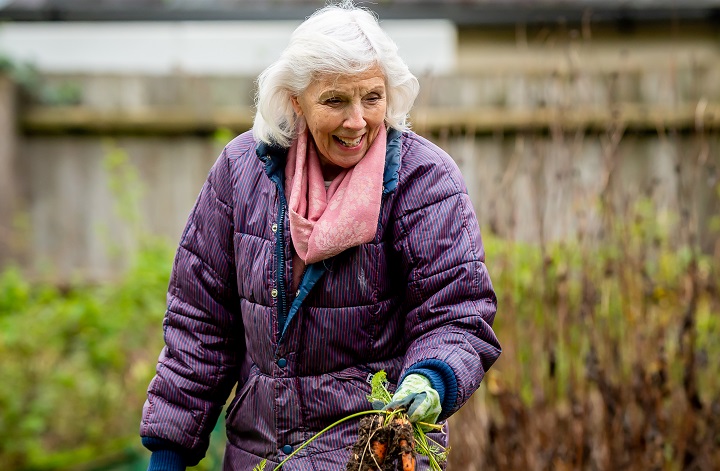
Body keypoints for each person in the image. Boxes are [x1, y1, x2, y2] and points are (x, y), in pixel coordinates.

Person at [139, 2, 501, 470]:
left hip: (369, 458)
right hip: (258, 458)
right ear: (296, 100)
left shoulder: (423, 181)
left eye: (372, 97)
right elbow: (200, 324)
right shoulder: (242, 171)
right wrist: (167, 454)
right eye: (335, 101)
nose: (357, 121)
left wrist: (434, 376)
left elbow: (457, 311)